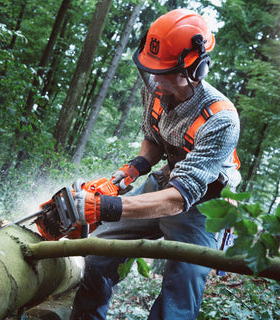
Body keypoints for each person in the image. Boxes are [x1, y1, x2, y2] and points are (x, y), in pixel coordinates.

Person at [69, 8, 242, 320]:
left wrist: (105, 207)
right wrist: (131, 170)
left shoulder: (221, 119)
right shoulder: (158, 89)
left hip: (205, 203)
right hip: (166, 180)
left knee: (183, 288)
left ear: (195, 69)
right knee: (98, 250)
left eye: (162, 72)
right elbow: (155, 140)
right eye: (151, 70)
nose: (154, 79)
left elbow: (179, 199)